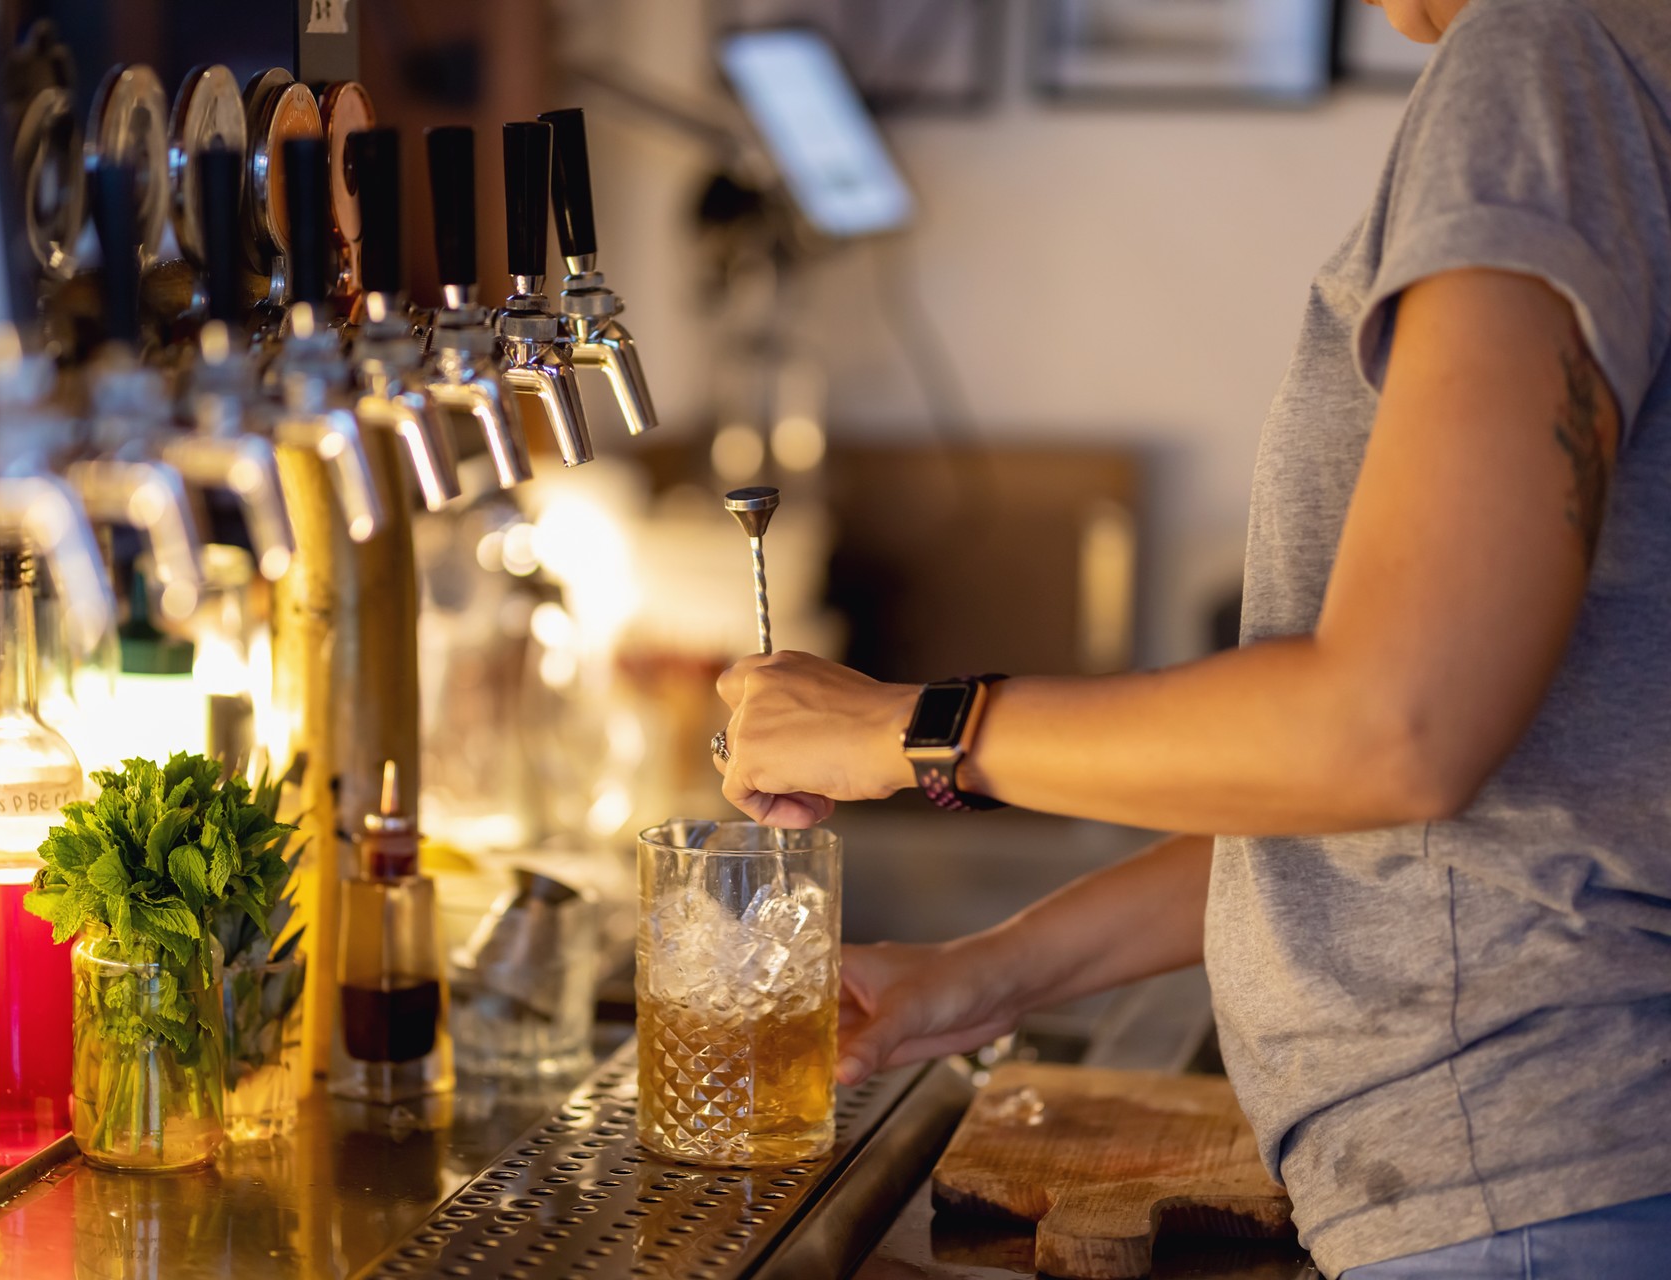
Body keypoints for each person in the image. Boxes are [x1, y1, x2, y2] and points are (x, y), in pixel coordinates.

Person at [711, 1, 1671, 1276]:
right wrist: (989, 974)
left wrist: (903, 729)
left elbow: (1394, 728)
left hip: (1523, 1176)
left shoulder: (1549, 56)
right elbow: (1430, 807)